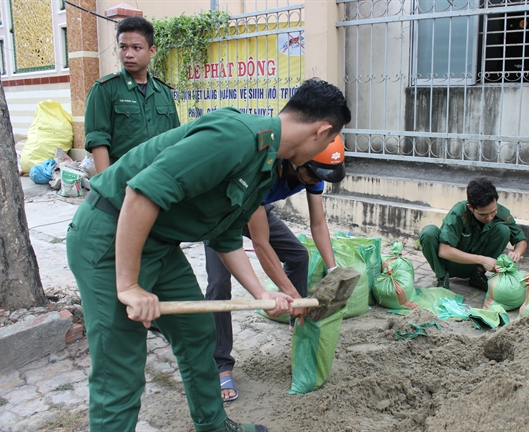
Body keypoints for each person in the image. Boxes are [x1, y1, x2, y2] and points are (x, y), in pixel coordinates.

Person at [66, 78, 351, 432]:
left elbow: (226, 235)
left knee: (198, 332)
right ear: (322, 131)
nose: (325, 147)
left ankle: (214, 425)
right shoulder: (236, 137)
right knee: (120, 365)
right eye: (329, 140)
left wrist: (263, 294)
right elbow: (141, 194)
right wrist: (129, 285)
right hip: (109, 234)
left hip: (157, 242)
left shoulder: (266, 161)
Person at [205, 135, 346, 402]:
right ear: (297, 160)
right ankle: (221, 363)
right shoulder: (266, 167)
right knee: (218, 284)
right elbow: (261, 244)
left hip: (258, 210)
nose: (317, 180)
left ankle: (298, 324)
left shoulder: (313, 173)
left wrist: (333, 270)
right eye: (313, 174)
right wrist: (293, 295)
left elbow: (318, 224)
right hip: (222, 213)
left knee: (298, 256)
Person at [84, 16, 179, 173]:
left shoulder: (163, 92)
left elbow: (175, 139)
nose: (128, 54)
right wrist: (106, 183)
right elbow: (98, 139)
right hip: (123, 179)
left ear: (151, 51)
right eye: (123, 47)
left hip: (160, 178)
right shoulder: (104, 89)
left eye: (136, 48)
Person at [418, 177, 527, 290]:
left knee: (504, 230)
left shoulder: (502, 212)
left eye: (493, 211)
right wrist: (483, 260)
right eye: (483, 214)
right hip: (451, 263)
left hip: (475, 267)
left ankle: (477, 276)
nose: (489, 217)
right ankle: (442, 277)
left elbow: (521, 240)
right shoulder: (458, 213)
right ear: (470, 207)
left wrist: (517, 252)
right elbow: (444, 251)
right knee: (428, 233)